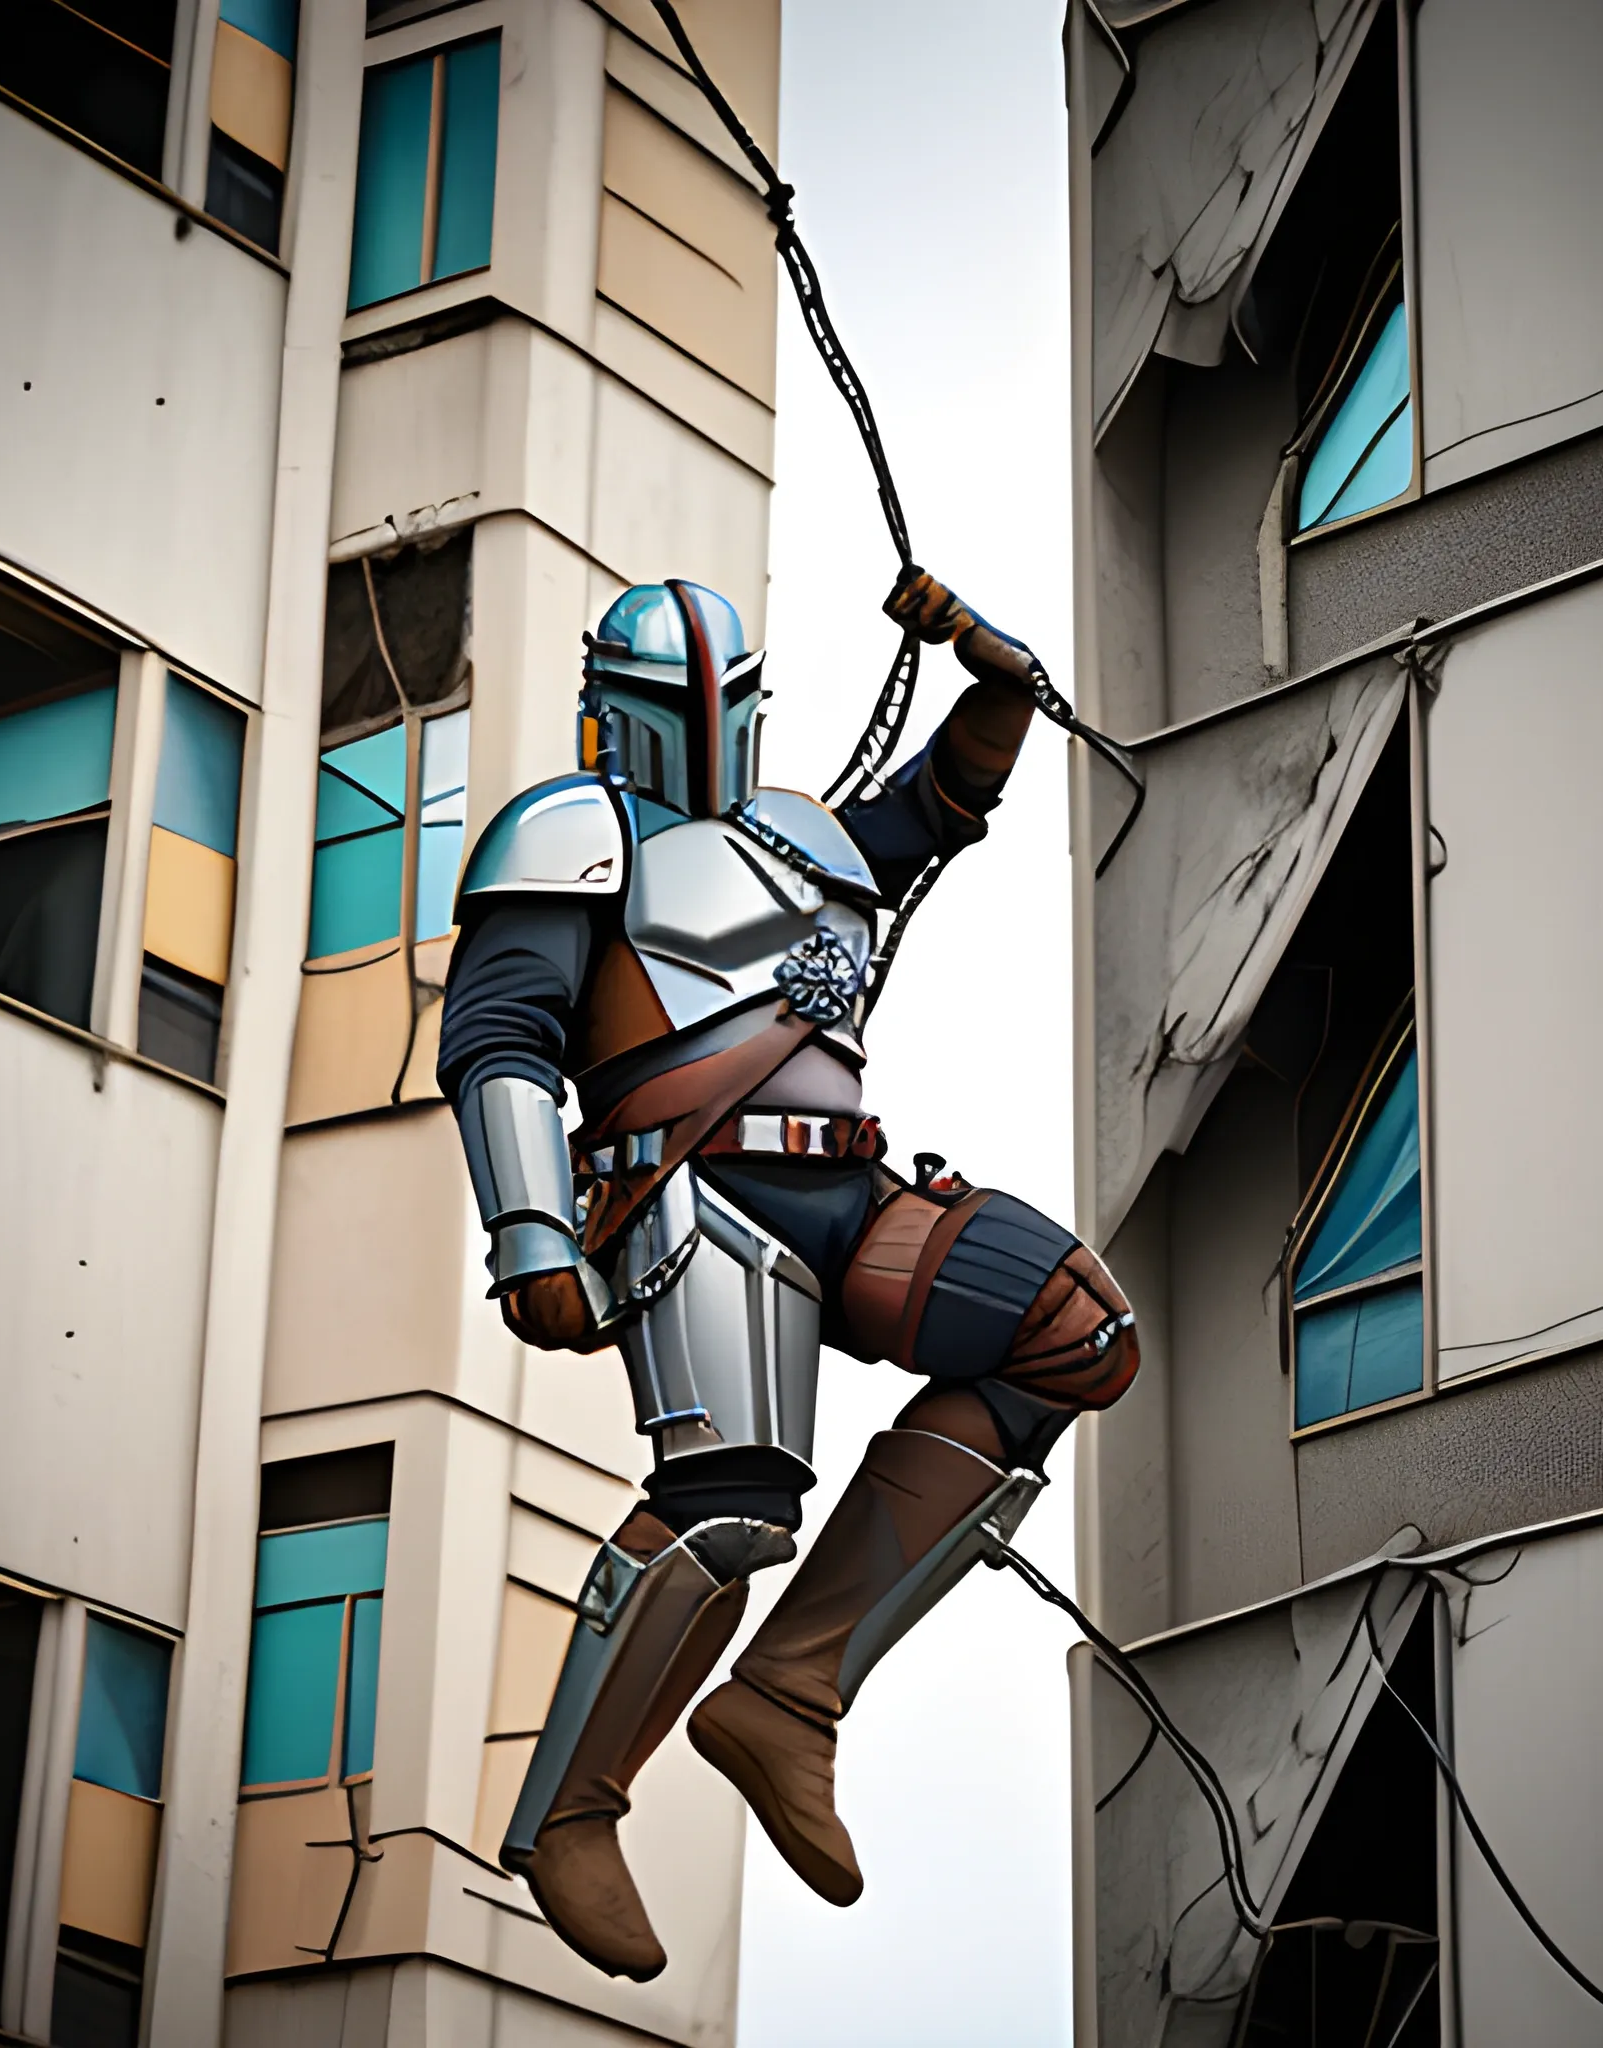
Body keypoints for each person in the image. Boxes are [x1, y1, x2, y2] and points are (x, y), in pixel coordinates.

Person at [436, 567, 1139, 1980]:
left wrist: (996, 680)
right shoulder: (571, 836)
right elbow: (501, 1037)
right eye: (665, 706)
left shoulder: (806, 839)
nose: (697, 725)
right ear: (608, 714)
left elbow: (939, 809)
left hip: (851, 1189)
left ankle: (793, 1693)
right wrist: (529, 1229)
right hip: (693, 1196)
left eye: (721, 703)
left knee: (1074, 1331)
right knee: (725, 1522)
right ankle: (572, 1809)